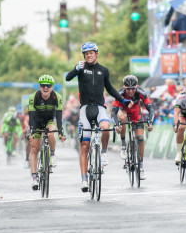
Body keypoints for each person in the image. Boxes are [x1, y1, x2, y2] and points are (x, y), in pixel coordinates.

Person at [65, 42, 130, 192]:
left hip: (100, 108)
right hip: (85, 109)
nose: (89, 55)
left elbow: (110, 88)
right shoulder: (81, 69)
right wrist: (75, 69)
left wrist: (122, 99)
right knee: (84, 146)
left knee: (106, 128)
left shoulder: (103, 70)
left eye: (91, 53)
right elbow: (68, 78)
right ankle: (83, 180)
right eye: (86, 53)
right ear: (84, 56)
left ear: (96, 54)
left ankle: (104, 152)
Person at [111, 75, 154, 180]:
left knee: (140, 138)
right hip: (124, 111)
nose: (130, 91)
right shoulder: (120, 93)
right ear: (124, 87)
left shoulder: (141, 92)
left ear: (136, 86)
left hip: (136, 114)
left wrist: (150, 122)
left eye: (133, 89)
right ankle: (124, 145)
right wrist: (117, 124)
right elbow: (113, 112)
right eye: (128, 89)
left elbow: (150, 108)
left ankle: (141, 166)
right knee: (122, 117)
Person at [28, 74, 66, 190]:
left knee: (50, 133)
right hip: (37, 122)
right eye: (43, 85)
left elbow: (59, 116)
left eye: (48, 86)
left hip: (50, 120)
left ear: (52, 87)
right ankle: (34, 178)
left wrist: (60, 132)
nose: (45, 88)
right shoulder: (33, 97)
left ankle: (53, 154)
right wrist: (32, 132)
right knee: (34, 148)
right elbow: (32, 117)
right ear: (39, 87)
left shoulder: (57, 97)